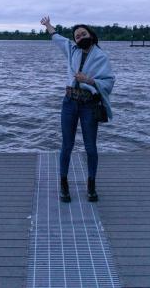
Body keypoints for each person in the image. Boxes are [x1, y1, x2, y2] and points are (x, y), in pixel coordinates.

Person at [40, 16, 115, 202]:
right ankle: (64, 184)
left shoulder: (101, 57)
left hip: (89, 104)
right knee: (67, 145)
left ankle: (91, 186)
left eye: (83, 34)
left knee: (91, 147)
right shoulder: (72, 49)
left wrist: (89, 80)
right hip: (69, 102)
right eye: (77, 36)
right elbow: (57, 38)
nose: (80, 37)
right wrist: (48, 25)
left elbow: (109, 81)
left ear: (91, 34)